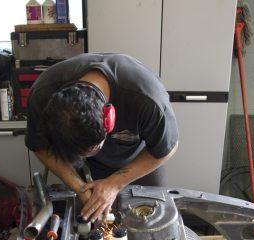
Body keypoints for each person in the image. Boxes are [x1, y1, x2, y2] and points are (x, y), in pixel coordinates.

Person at [25, 53, 179, 222]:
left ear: (109, 118)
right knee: (87, 223)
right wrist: (79, 187)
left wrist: (114, 183)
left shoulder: (147, 99)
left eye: (92, 149)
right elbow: (39, 146)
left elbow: (166, 149)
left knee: (151, 219)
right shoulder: (42, 94)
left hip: (140, 161)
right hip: (86, 169)